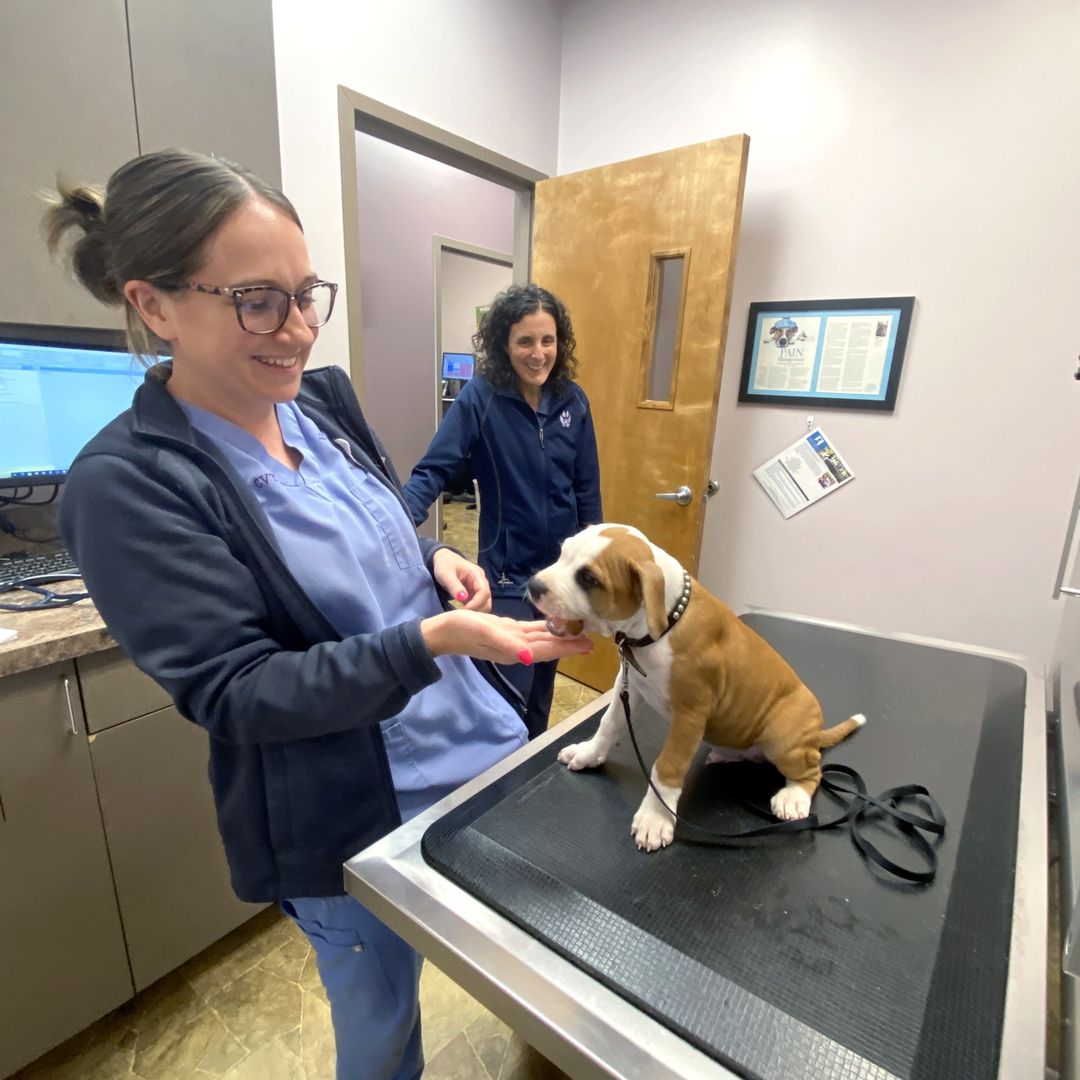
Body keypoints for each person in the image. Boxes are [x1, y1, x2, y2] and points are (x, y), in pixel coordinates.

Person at [43, 149, 591, 1080]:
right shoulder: (126, 484)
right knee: (382, 1035)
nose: (295, 331)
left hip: (477, 752)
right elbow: (241, 692)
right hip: (351, 816)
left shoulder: (321, 404)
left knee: (546, 975)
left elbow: (374, 539)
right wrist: (435, 639)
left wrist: (436, 559)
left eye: (306, 295)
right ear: (154, 303)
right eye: (257, 300)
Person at [403, 284, 602, 739]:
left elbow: (588, 490)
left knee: (542, 689)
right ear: (504, 345)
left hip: (562, 574)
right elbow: (433, 471)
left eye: (547, 340)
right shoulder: (480, 398)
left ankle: (530, 770)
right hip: (508, 575)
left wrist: (592, 569)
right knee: (506, 693)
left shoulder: (573, 401)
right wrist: (392, 525)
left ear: (560, 342)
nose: (538, 354)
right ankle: (501, 785)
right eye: (525, 342)